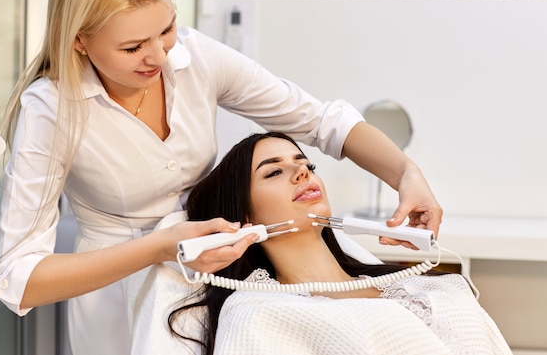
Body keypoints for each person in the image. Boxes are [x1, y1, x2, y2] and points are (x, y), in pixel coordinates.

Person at [0, 0, 442, 354]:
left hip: (216, 276)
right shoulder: (51, 110)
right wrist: (160, 247)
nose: (159, 56)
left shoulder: (196, 58)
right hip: (115, 294)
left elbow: (319, 120)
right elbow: (20, 278)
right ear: (79, 41)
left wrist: (406, 173)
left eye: (165, 29)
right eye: (132, 48)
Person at [168, 132, 512, 355]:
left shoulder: (426, 286)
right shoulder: (257, 312)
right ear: (243, 219)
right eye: (274, 172)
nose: (302, 173)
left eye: (306, 164)